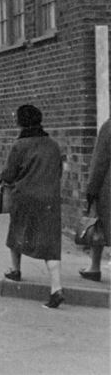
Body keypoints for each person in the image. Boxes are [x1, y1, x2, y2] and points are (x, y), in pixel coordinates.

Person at [0, 104, 65, 308]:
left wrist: (3, 180)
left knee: (17, 232)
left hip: (24, 198)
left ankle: (15, 270)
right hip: (49, 200)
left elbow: (9, 174)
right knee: (50, 244)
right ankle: (56, 288)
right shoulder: (53, 145)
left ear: (20, 122)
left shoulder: (20, 145)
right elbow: (59, 171)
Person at [81, 119, 110, 281]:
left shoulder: (108, 127)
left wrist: (91, 189)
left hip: (108, 188)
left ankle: (94, 267)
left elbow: (100, 162)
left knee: (98, 225)